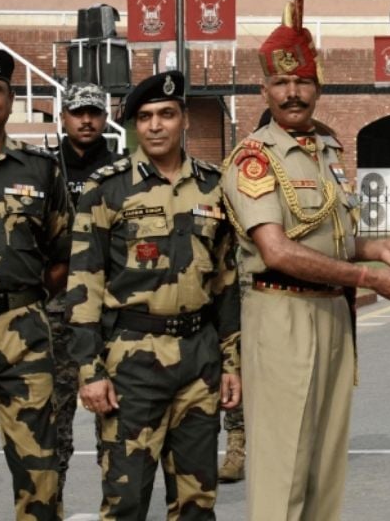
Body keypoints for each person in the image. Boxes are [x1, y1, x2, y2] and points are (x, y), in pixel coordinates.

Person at [219, 0, 390, 520]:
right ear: (264, 89)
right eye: (281, 83)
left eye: (302, 81)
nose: (292, 93)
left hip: (333, 315)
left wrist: (377, 248)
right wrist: (370, 278)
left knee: (325, 470)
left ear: (318, 84)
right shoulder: (255, 157)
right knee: (282, 471)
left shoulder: (327, 149)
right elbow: (279, 252)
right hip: (281, 316)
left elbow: (326, 234)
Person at [64, 71, 241, 520]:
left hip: (199, 360)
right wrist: (90, 372)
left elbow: (225, 281)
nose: (156, 126)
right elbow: (84, 286)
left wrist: (231, 363)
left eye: (166, 114)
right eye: (145, 117)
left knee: (197, 504)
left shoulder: (214, 187)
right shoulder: (107, 189)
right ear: (133, 127)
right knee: (125, 501)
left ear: (185, 120)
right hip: (131, 364)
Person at [0, 48, 72, 519]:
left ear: (10, 100)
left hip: (25, 333)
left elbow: (63, 253)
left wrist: (26, 300)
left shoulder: (41, 169)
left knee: (38, 469)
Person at [45, 81, 122, 502]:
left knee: (114, 424)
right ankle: (50, 506)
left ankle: (117, 508)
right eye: (78, 113)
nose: (86, 120)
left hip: (106, 312)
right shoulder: (41, 169)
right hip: (53, 311)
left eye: (94, 112)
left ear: (105, 116)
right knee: (53, 426)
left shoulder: (120, 171)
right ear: (63, 118)